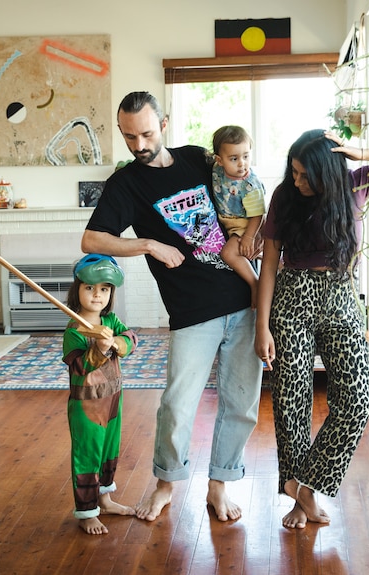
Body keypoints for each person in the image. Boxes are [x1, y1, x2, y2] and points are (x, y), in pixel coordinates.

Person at [81, 91, 263, 523]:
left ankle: (218, 488)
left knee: (241, 404)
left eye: (145, 133)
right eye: (129, 137)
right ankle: (166, 483)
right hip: (190, 311)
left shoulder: (198, 159)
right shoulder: (126, 183)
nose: (139, 145)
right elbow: (92, 240)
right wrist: (148, 244)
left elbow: (245, 179)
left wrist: (251, 233)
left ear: (163, 124)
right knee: (178, 405)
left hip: (244, 301)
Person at [253, 129, 369, 529]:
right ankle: (302, 497)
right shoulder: (285, 196)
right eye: (295, 172)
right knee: (291, 402)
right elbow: (268, 264)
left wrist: (359, 150)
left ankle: (304, 484)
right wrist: (261, 326)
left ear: (329, 168)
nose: (298, 181)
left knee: (355, 399)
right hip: (292, 297)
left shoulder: (358, 181)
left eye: (305, 174)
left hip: (342, 294)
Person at [63, 253, 138, 535]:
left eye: (104, 289)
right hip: (86, 406)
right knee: (87, 456)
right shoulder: (73, 330)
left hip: (113, 400)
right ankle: (86, 512)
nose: (97, 295)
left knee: (108, 453)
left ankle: (104, 500)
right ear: (77, 289)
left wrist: (116, 342)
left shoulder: (110, 320)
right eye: (90, 288)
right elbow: (81, 367)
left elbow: (131, 338)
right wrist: (99, 349)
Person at [209, 125, 266, 306]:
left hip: (246, 223)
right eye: (234, 158)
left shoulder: (250, 184)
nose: (242, 163)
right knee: (243, 252)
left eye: (246, 156)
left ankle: (254, 283)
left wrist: (249, 237)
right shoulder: (216, 170)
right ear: (219, 159)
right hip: (229, 221)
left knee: (228, 253)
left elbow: (258, 215)